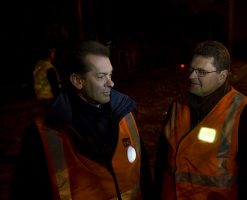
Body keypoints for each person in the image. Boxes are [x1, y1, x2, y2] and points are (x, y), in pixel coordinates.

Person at [11, 40, 154, 200]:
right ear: (78, 81)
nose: (111, 83)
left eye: (110, 74)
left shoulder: (125, 117)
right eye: (101, 76)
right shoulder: (41, 137)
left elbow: (145, 179)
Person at [154, 41, 247, 200]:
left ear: (222, 76)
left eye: (201, 72)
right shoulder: (177, 105)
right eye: (192, 69)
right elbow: (161, 160)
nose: (191, 76)